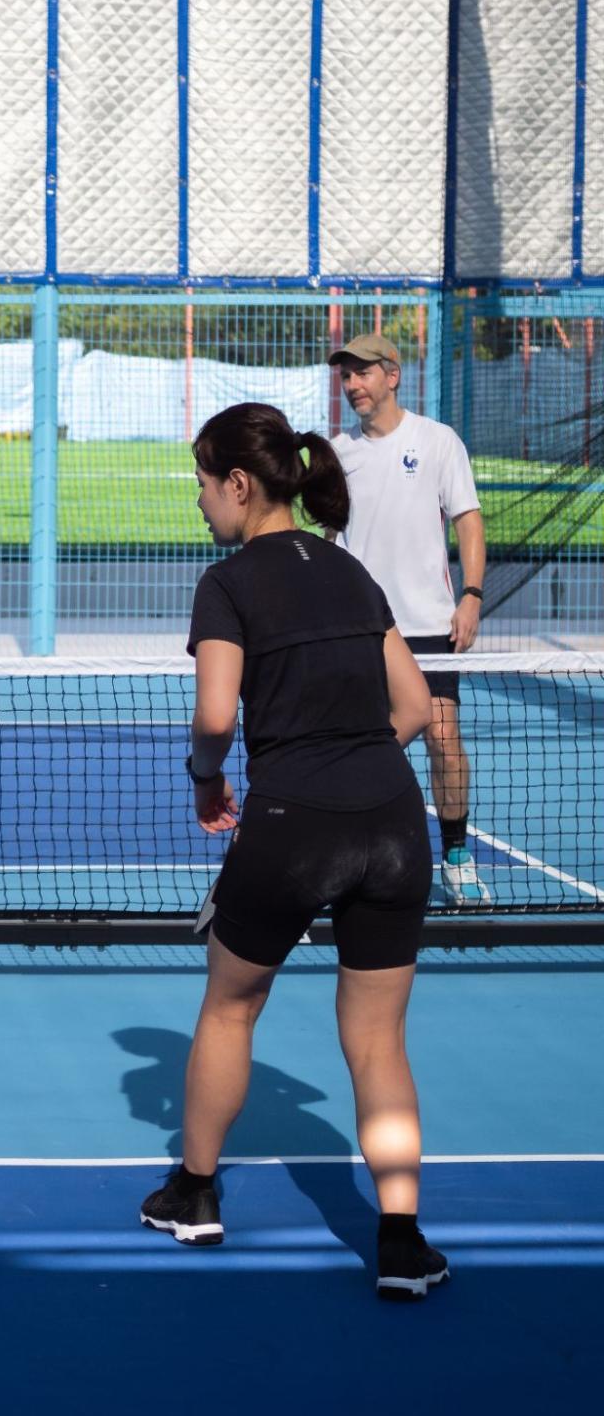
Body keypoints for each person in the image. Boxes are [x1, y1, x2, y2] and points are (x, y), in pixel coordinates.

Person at [138, 402, 451, 1301]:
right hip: (393, 822)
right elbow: (414, 705)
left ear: (239, 486)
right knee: (378, 1040)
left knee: (231, 1007)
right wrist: (356, 773)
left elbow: (213, 718)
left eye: (203, 485)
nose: (200, 503)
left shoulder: (225, 583)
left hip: (289, 826)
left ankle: (193, 1194)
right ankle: (400, 1244)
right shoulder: (351, 573)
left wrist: (208, 781)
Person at [327, 333, 491, 905]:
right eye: (346, 376)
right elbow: (328, 535)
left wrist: (470, 596)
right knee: (358, 746)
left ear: (392, 376)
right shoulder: (337, 452)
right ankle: (343, 859)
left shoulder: (439, 441)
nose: (352, 386)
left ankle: (456, 855)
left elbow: (468, 520)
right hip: (360, 625)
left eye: (362, 374)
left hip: (428, 626)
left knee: (443, 741)